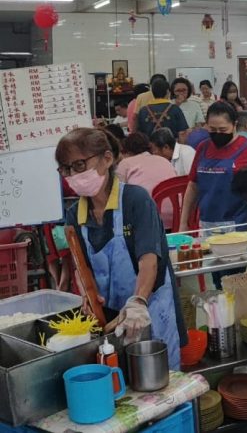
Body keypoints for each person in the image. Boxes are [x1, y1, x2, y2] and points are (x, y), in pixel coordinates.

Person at [55, 128, 185, 369]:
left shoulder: (135, 200)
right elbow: (79, 265)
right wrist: (87, 292)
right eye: (66, 169)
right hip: (111, 316)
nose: (73, 175)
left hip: (150, 308)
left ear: (107, 158)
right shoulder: (75, 216)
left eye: (80, 165)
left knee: (159, 378)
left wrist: (137, 302)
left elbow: (149, 261)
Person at [178, 102, 247, 233]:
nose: (218, 134)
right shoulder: (203, 148)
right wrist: (183, 223)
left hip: (240, 224)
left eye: (223, 130)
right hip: (206, 223)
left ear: (234, 125)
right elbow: (193, 186)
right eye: (212, 130)